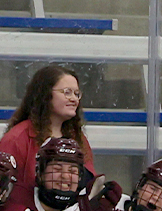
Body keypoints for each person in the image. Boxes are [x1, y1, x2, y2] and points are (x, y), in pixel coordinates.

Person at [0, 65, 95, 195]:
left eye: (76, 94)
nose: (74, 99)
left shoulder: (78, 138)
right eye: (67, 92)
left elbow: (90, 184)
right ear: (45, 94)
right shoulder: (17, 139)